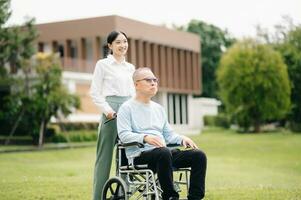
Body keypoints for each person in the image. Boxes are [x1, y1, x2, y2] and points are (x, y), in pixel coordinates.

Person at [117, 67, 207, 200]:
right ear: (136, 84)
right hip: (139, 155)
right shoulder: (126, 108)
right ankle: (170, 196)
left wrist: (182, 139)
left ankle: (195, 197)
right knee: (163, 152)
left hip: (164, 153)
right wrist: (145, 138)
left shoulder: (159, 109)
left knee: (199, 156)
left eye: (155, 80)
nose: (153, 83)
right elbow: (124, 135)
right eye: (148, 80)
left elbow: (169, 135)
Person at [89, 30, 135, 200]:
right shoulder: (102, 65)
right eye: (118, 42)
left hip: (128, 110)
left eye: (125, 41)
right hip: (110, 111)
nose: (123, 45)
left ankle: (122, 195)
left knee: (127, 157)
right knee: (104, 159)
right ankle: (97, 197)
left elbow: (133, 93)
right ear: (110, 46)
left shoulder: (130, 68)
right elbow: (94, 93)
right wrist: (107, 110)